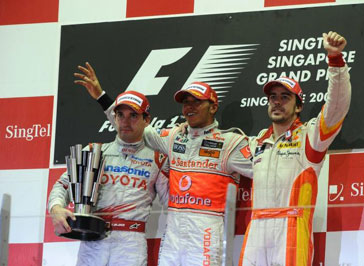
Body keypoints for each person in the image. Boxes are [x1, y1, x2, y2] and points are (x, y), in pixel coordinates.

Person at [75, 63, 254, 265]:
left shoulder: (231, 142)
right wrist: (101, 97)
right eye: (186, 103)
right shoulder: (173, 137)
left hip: (206, 227)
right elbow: (131, 125)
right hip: (174, 228)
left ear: (213, 106)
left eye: (197, 102)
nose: (190, 107)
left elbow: (261, 172)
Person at [239, 31, 351, 266]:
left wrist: (335, 61)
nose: (277, 102)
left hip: (291, 228)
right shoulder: (256, 142)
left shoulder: (310, 137)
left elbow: (337, 106)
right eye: (273, 97)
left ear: (298, 106)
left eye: (285, 97)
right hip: (256, 228)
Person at [48, 89, 169, 266]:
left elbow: (173, 205)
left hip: (131, 245)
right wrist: (56, 208)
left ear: (147, 120)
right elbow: (63, 185)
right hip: (93, 239)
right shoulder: (94, 151)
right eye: (120, 114)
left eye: (133, 115)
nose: (125, 122)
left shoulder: (158, 159)